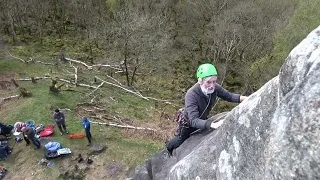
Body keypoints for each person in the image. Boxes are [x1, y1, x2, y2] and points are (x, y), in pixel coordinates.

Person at [166, 63, 247, 155]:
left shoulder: (215, 88)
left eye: (214, 81)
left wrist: (246, 98)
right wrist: (212, 125)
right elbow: (193, 120)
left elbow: (229, 96)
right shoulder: (191, 94)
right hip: (188, 124)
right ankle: (168, 149)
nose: (212, 85)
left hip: (202, 119)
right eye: (208, 82)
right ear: (200, 81)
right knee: (180, 140)